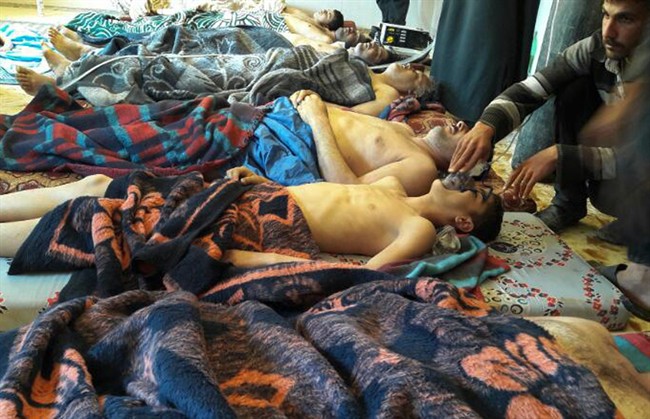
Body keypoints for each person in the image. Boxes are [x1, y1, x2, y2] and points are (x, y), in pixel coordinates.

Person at [0, 162, 503, 270]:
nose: (471, 181)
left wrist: (251, 259)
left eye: (477, 195)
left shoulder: (416, 228)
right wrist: (262, 181)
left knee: (105, 219)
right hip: (252, 196)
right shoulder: (392, 186)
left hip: (259, 225)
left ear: (463, 224)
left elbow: (358, 276)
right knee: (100, 185)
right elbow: (324, 189)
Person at [448, 0, 649, 235]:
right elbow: (531, 90)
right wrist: (486, 126)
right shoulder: (596, 47)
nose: (609, 31)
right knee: (574, 89)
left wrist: (560, 156)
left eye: (625, 19)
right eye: (606, 15)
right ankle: (569, 204)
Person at [16, 42, 432, 116]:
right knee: (168, 58)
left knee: (167, 77)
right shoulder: (369, 72)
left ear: (414, 89)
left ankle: (65, 82)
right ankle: (80, 63)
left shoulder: (380, 94)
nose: (409, 67)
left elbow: (331, 109)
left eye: (415, 73)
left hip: (269, 77)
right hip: (265, 60)